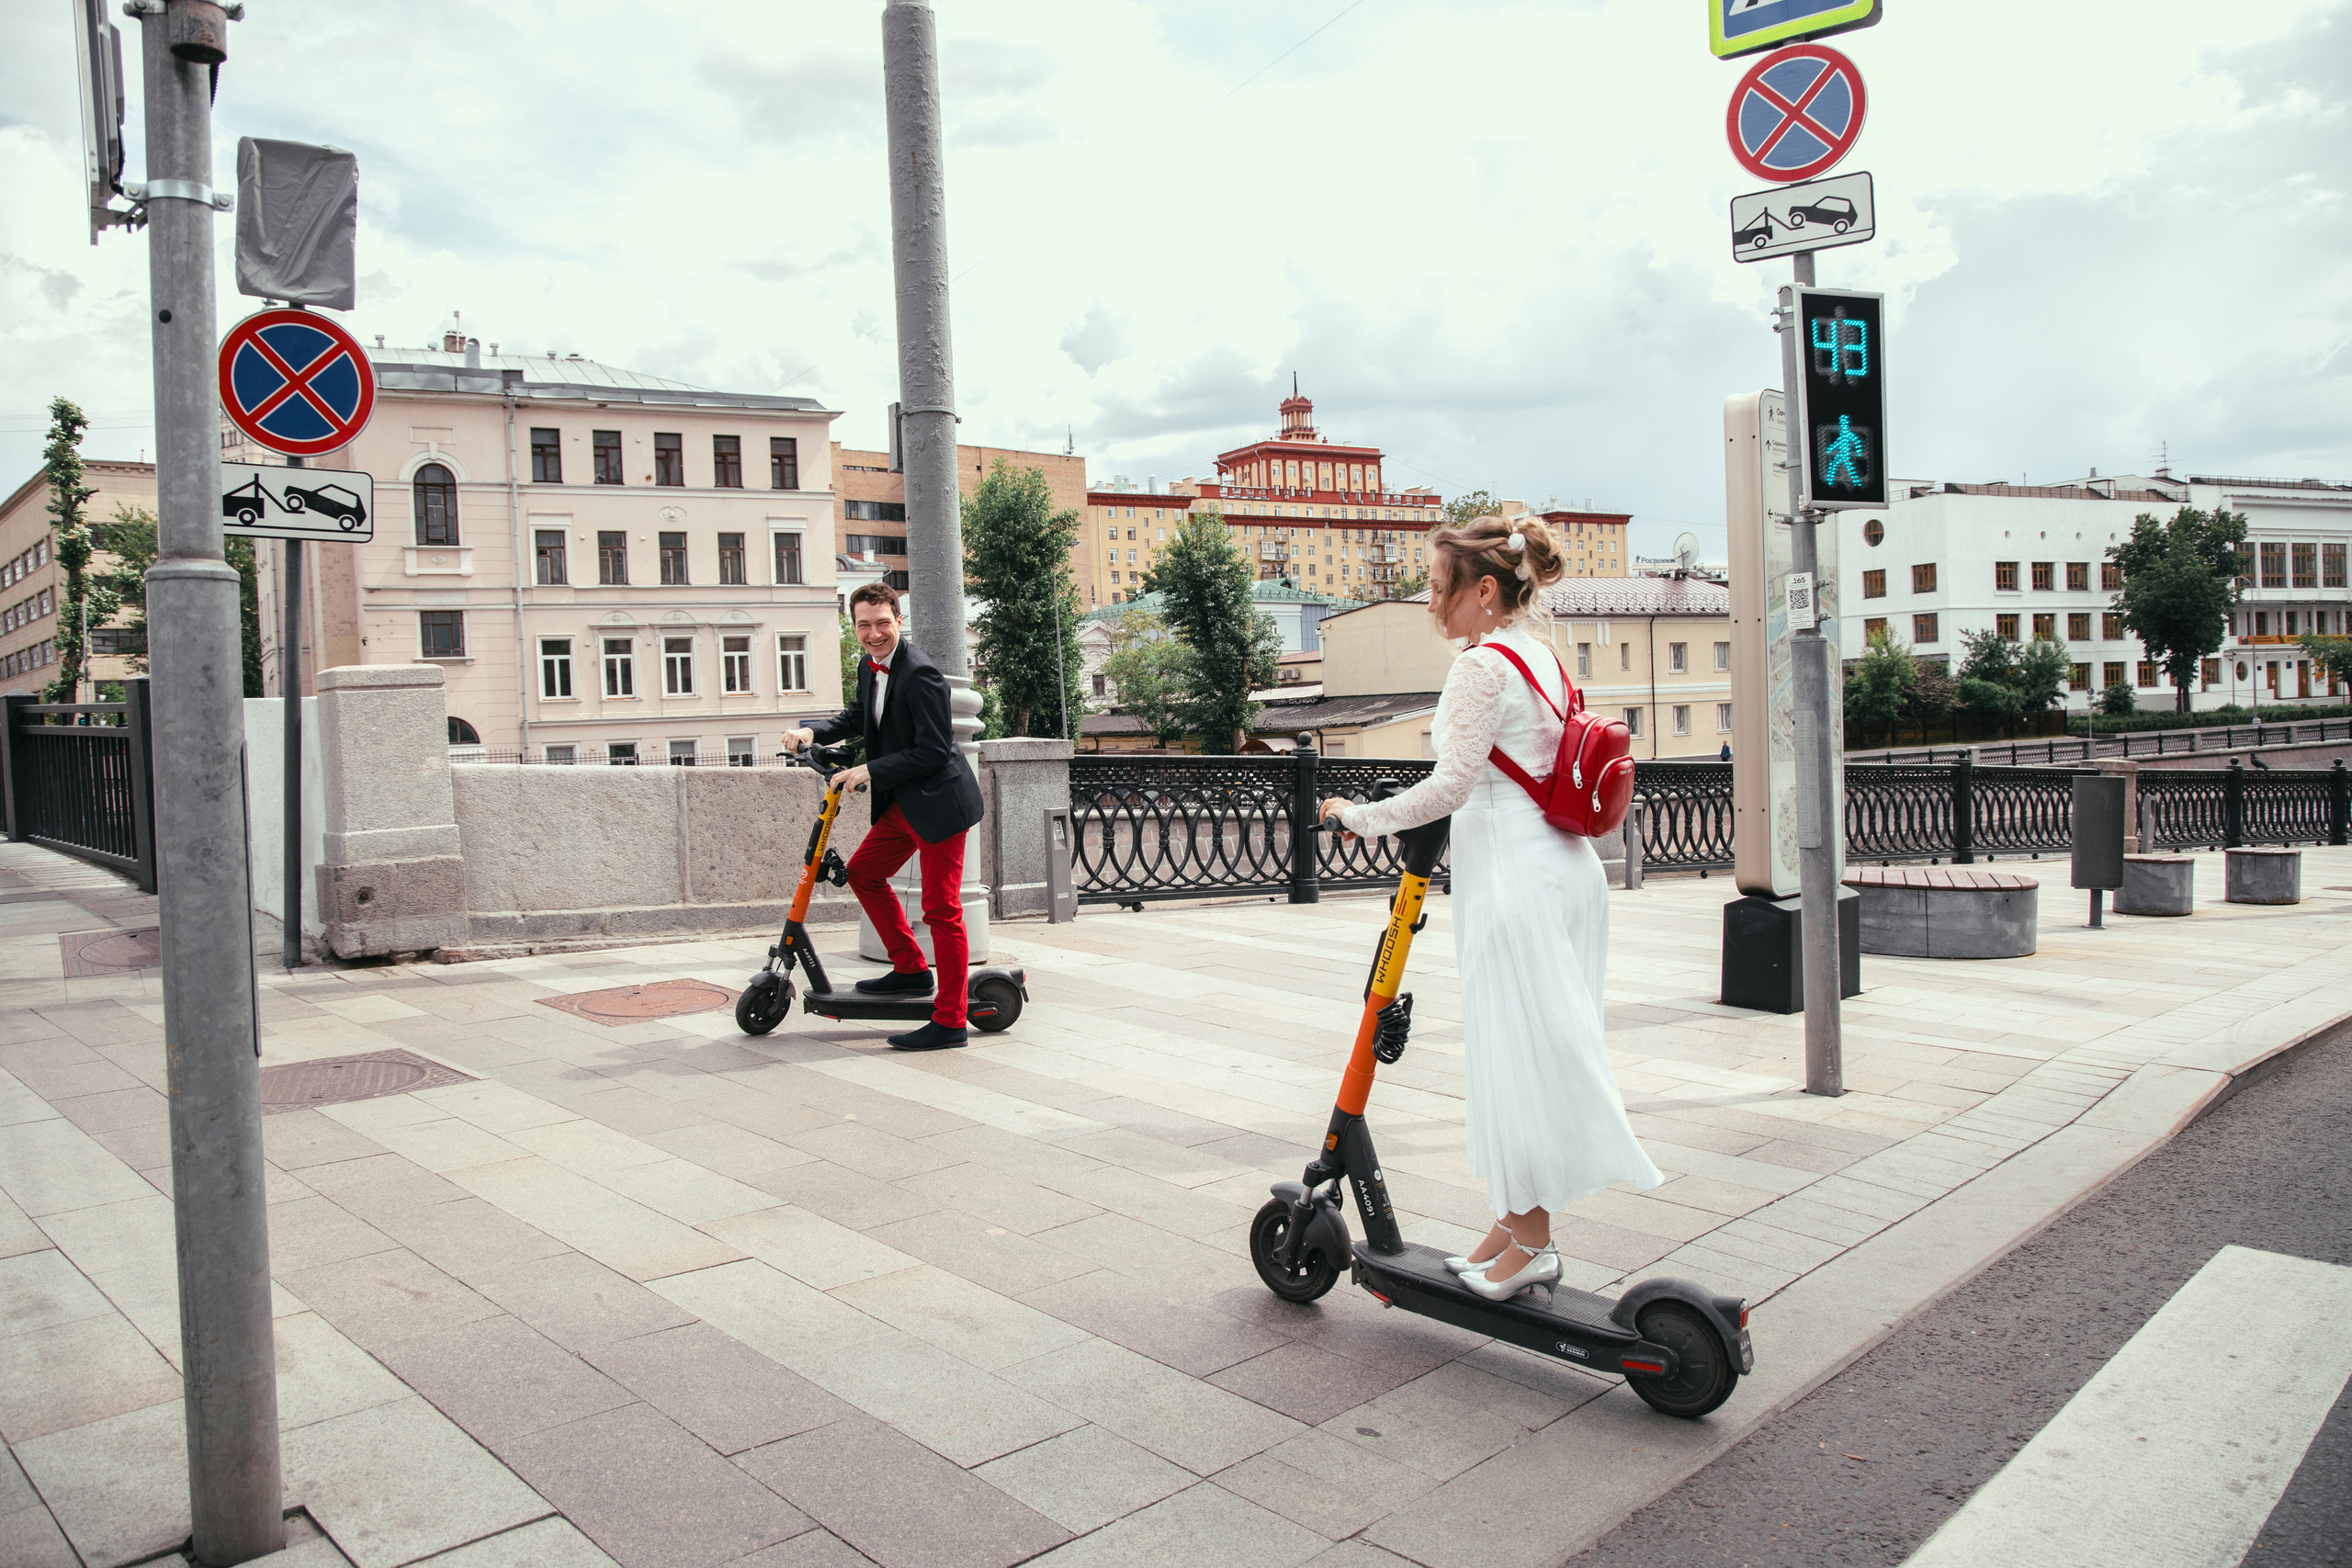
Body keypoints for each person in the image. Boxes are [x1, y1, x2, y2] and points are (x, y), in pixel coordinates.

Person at [1319, 514, 1661, 1301]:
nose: (1430, 603)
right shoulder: (1538, 653)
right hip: (1562, 873)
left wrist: (1358, 815)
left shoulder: (1480, 668)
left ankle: (1533, 1241)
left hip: (1514, 882)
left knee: (1518, 1063)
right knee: (1527, 1054)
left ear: (1483, 590)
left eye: (1440, 588)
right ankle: (1512, 1226)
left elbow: (1451, 786)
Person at [786, 581, 985, 1051]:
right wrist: (812, 731)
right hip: (903, 803)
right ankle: (912, 970)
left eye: (882, 623)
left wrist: (869, 769)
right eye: (863, 625)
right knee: (863, 873)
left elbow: (934, 751)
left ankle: (951, 1022)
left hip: (938, 805)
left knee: (941, 910)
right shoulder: (868, 665)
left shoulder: (921, 674)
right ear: (854, 627)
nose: (873, 633)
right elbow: (859, 715)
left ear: (899, 620)